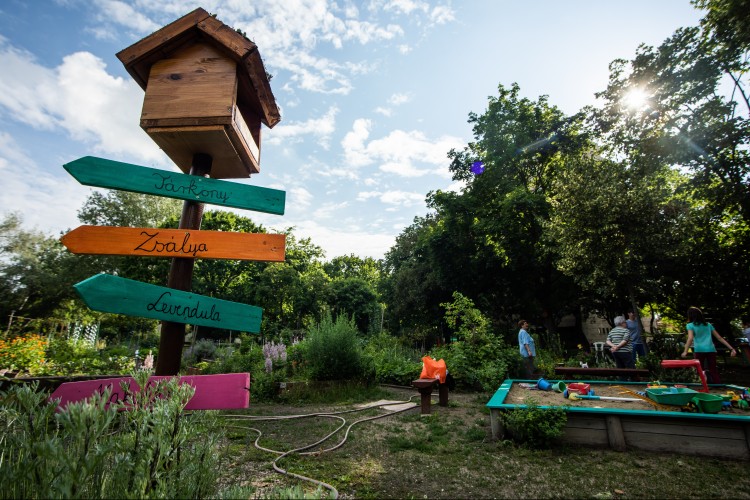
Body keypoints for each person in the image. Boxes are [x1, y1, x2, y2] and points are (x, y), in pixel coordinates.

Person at [681, 306, 736, 383]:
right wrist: (731, 348)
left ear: (690, 316)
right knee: (713, 369)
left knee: (700, 369)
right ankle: (718, 385)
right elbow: (719, 338)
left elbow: (690, 338)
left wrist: (685, 351)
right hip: (711, 349)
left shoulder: (690, 325)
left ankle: (703, 385)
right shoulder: (708, 325)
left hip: (699, 350)